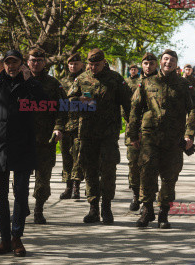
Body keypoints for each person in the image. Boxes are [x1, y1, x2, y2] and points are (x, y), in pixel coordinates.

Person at [0, 49, 47, 257]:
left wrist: (29, 80)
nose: (11, 67)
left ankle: (16, 237)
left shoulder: (30, 84)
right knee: (0, 197)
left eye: (15, 63)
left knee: (21, 195)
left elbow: (42, 103)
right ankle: (4, 239)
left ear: (22, 64)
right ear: (3, 64)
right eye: (8, 63)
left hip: (23, 146)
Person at [128, 49, 195, 229]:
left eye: (172, 60)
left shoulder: (184, 85)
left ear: (176, 64)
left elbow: (193, 110)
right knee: (147, 174)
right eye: (165, 59)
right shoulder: (147, 82)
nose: (168, 63)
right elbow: (135, 110)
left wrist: (189, 135)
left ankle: (164, 213)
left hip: (173, 139)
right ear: (161, 62)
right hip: (149, 137)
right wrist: (132, 135)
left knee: (169, 176)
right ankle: (147, 210)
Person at [68, 48, 131, 225]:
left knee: (109, 170)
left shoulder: (115, 79)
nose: (94, 67)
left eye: (97, 64)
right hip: (87, 133)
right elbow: (68, 103)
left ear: (104, 62)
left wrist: (133, 129)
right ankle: (93, 207)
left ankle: (107, 207)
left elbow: (127, 105)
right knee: (90, 170)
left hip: (109, 134)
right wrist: (79, 100)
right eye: (91, 64)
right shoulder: (81, 79)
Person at [26, 47, 66, 224]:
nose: (36, 63)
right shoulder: (20, 82)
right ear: (28, 62)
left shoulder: (53, 84)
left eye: (39, 60)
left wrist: (58, 128)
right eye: (33, 60)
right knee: (21, 177)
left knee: (43, 176)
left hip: (45, 138)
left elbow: (62, 108)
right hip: (23, 139)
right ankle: (21, 206)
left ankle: (38, 209)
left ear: (44, 63)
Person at [126, 52, 158, 212]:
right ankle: (135, 195)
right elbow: (127, 107)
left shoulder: (159, 81)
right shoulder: (131, 83)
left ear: (156, 65)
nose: (148, 66)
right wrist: (132, 131)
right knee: (133, 164)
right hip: (133, 129)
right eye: (145, 63)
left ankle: (147, 197)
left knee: (149, 166)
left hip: (152, 131)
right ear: (141, 65)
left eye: (151, 63)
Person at [59, 53, 85, 200]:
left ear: (81, 64)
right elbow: (58, 104)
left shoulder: (86, 80)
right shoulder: (62, 82)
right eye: (70, 64)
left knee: (78, 156)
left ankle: (76, 186)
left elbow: (90, 103)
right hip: (65, 124)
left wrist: (71, 102)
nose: (73, 66)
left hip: (80, 125)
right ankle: (68, 186)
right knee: (66, 157)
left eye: (76, 64)